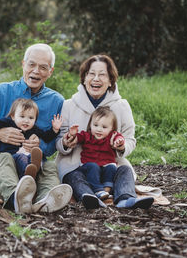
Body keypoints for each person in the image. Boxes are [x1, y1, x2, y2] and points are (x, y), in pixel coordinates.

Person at [0, 43, 72, 214]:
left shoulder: (56, 101)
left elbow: (50, 146)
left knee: (48, 166)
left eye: (43, 67)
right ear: (23, 64)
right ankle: (15, 199)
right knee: (4, 158)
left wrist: (38, 144)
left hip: (29, 166)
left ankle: (46, 200)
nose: (36, 71)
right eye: (31, 64)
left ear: (50, 71)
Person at [56, 54, 154, 210]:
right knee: (74, 177)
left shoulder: (121, 106)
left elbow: (130, 139)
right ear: (84, 78)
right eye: (91, 74)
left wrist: (121, 146)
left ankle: (126, 199)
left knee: (125, 171)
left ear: (110, 81)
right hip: (79, 165)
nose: (96, 79)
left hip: (110, 164)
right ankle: (91, 198)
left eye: (102, 75)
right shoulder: (68, 105)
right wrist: (66, 142)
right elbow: (59, 141)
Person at [0, 97, 63, 178]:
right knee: (21, 158)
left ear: (35, 120)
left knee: (33, 157)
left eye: (31, 118)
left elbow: (46, 137)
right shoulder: (8, 123)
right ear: (13, 116)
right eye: (22, 116)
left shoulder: (34, 129)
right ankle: (27, 174)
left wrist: (55, 129)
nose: (26, 120)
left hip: (26, 158)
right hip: (9, 159)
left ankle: (34, 168)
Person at [65, 106, 125, 200]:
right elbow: (77, 138)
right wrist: (72, 135)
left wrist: (119, 141)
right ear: (90, 125)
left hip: (105, 165)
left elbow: (119, 137)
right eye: (95, 125)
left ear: (111, 128)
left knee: (111, 167)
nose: (99, 129)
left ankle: (106, 191)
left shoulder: (111, 136)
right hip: (88, 166)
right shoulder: (87, 136)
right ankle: (97, 190)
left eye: (104, 127)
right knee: (93, 166)